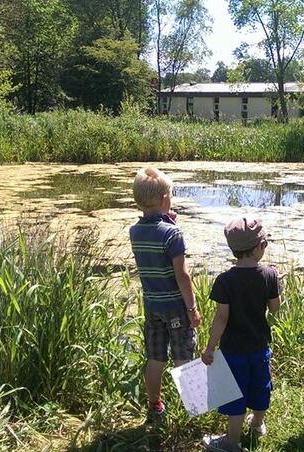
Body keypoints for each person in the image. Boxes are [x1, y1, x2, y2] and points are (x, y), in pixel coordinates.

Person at [201, 218, 282, 452]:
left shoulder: (225, 281)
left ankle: (232, 441)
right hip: (259, 346)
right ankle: (258, 424)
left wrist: (209, 347)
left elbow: (221, 318)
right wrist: (278, 286)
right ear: (258, 247)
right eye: (264, 244)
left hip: (233, 350)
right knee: (261, 385)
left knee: (234, 394)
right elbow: (275, 308)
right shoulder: (269, 275)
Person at [129, 167, 201, 424]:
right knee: (184, 354)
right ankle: (195, 405)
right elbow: (182, 275)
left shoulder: (135, 232)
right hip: (176, 307)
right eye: (171, 193)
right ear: (163, 200)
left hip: (152, 305)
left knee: (156, 356)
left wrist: (166, 220)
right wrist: (192, 309)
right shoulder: (172, 234)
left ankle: (155, 404)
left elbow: (153, 235)